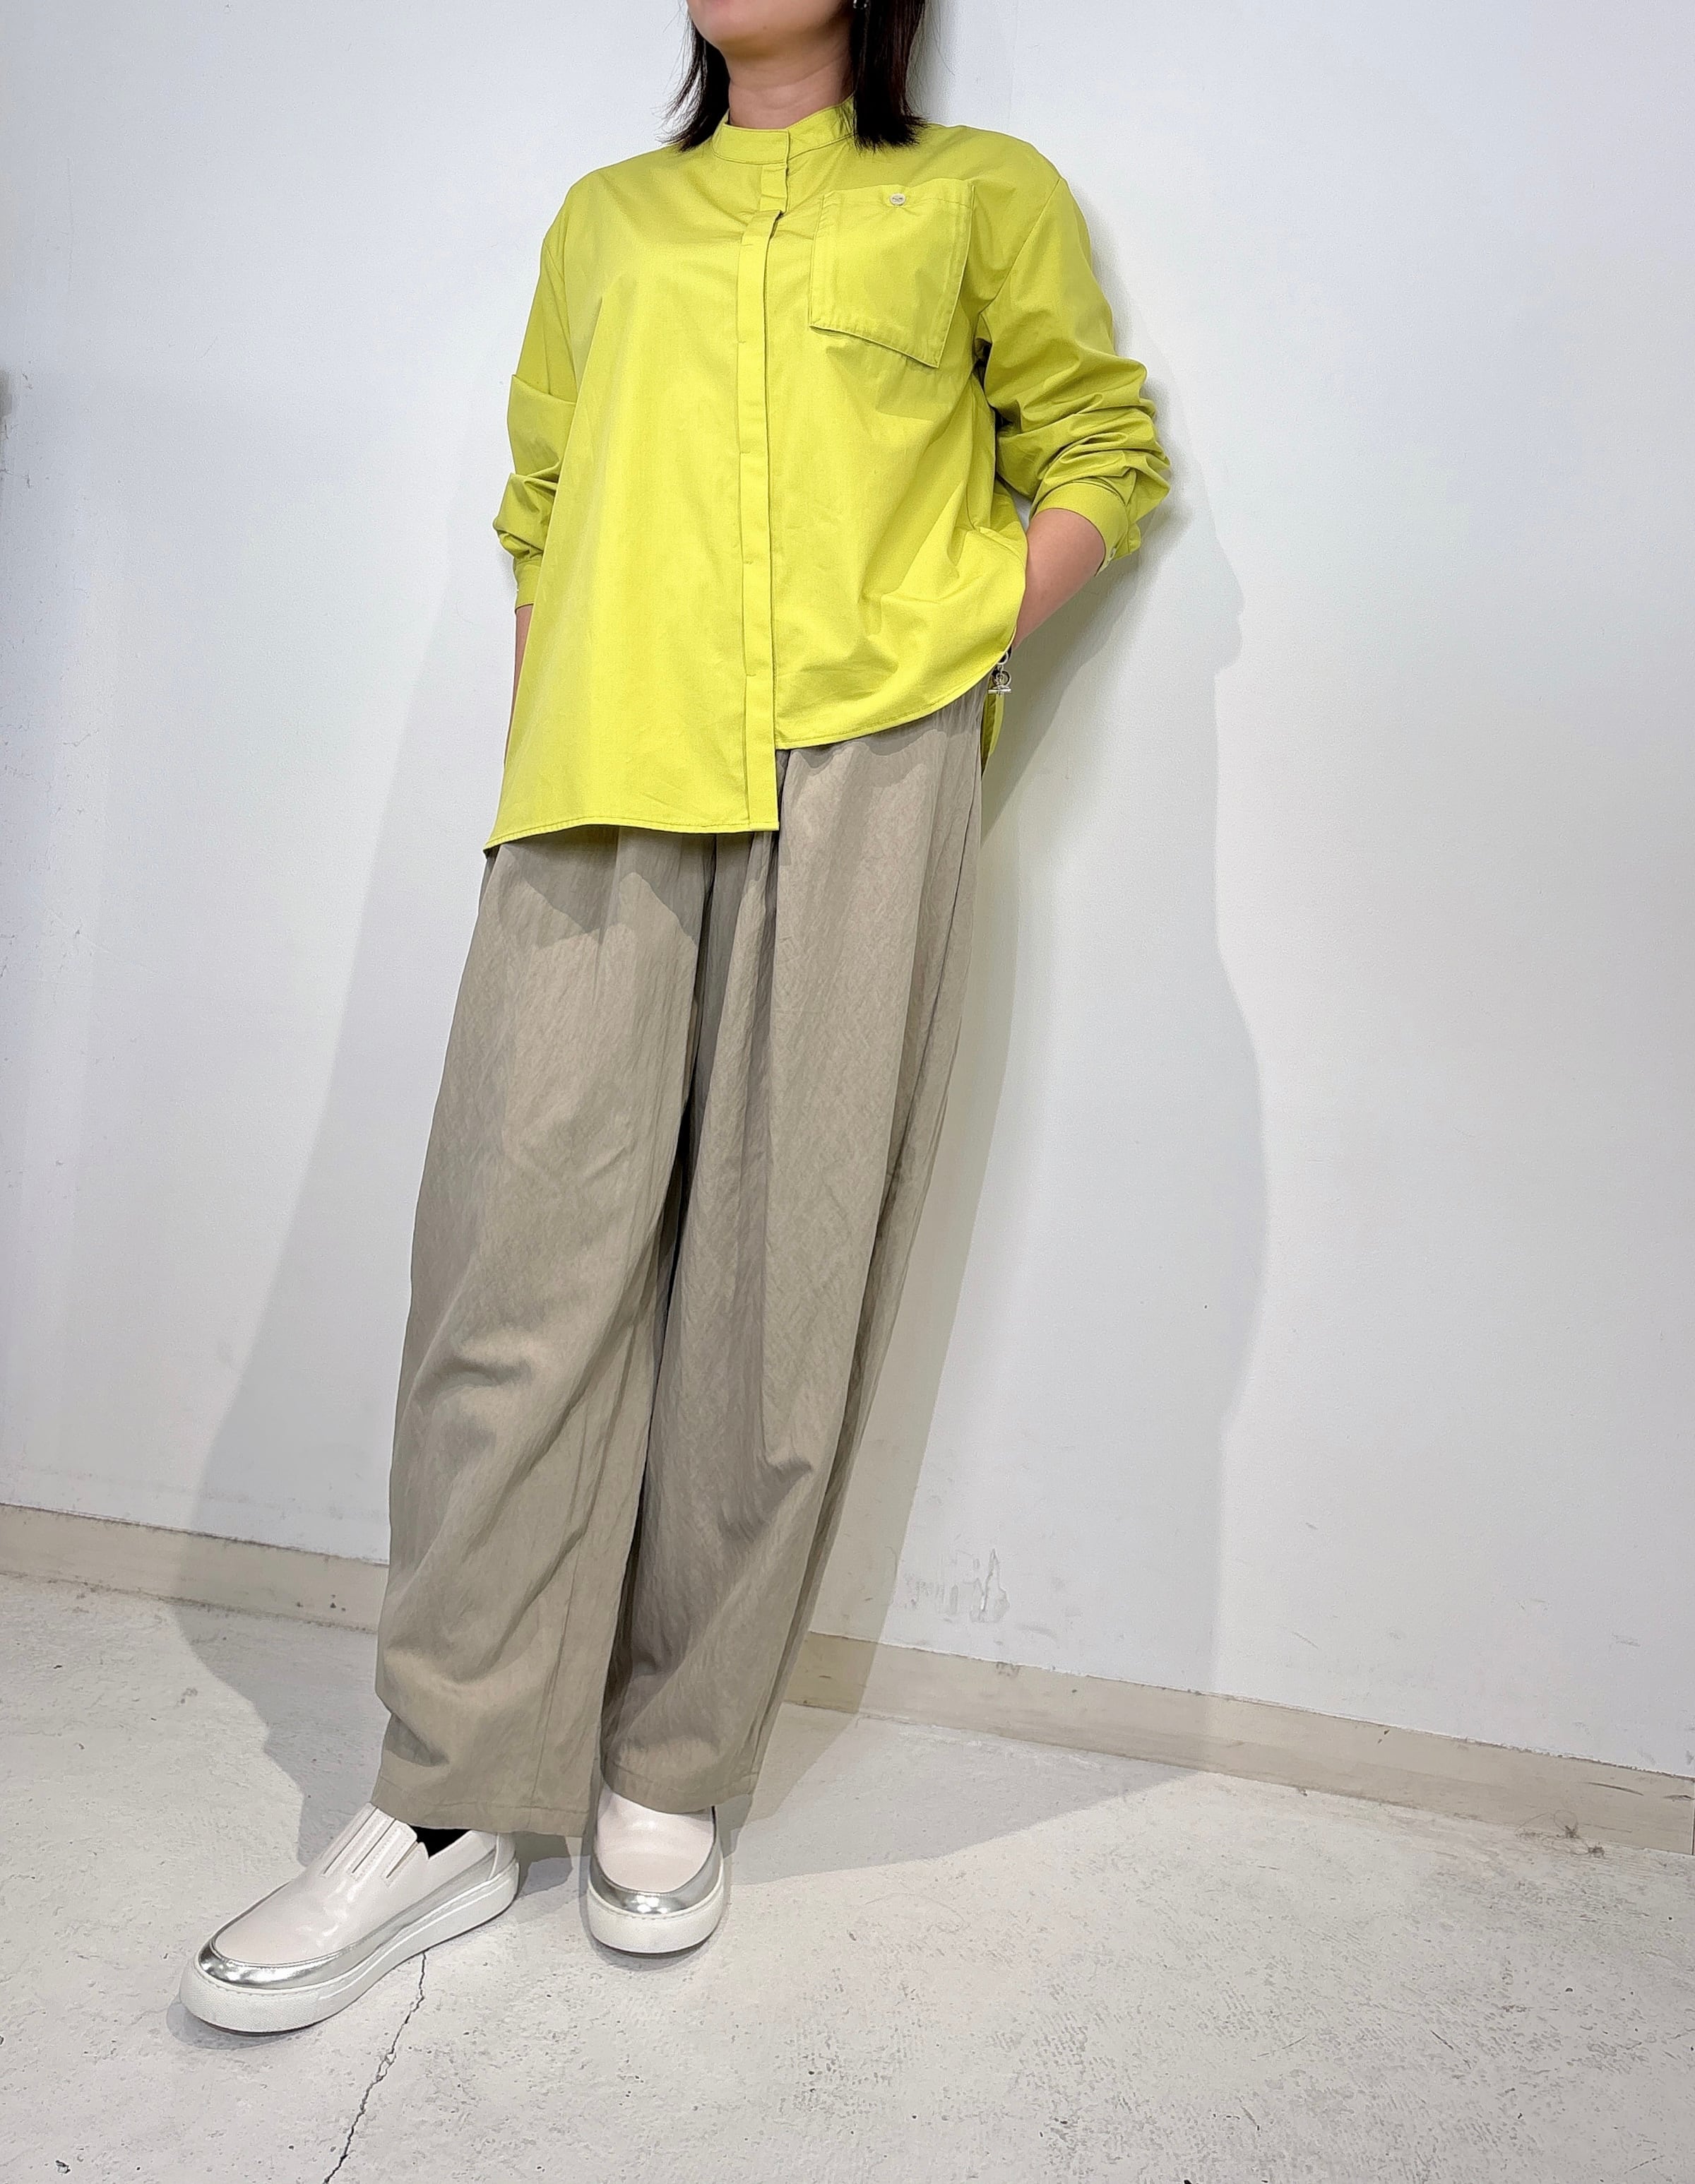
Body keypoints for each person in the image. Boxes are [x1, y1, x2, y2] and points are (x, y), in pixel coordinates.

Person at [180, 0, 1167, 2033]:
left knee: (783, 1288)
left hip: (865, 772)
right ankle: (448, 1801)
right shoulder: (610, 219)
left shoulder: (979, 197)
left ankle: (669, 1760)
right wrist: (549, 715)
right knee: (510, 1278)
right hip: (604, 765)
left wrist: (940, 646)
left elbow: (1099, 447)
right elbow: (542, 502)